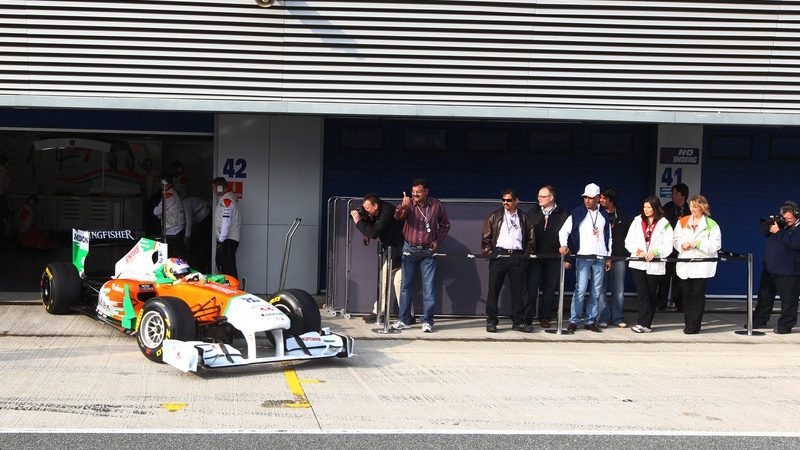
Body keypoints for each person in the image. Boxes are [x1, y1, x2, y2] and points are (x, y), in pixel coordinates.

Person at [392, 178, 450, 333]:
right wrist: (403, 207)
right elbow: (397, 217)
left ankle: (427, 321)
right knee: (405, 286)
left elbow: (445, 224)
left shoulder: (436, 205)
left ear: (426, 191)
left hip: (428, 252)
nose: (415, 194)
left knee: (429, 288)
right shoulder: (408, 203)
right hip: (409, 249)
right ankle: (404, 320)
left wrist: (437, 241)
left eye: (418, 192)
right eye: (413, 192)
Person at [558, 183, 612, 332]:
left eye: (590, 197)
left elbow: (609, 237)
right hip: (583, 256)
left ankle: (590, 321)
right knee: (580, 289)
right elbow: (564, 231)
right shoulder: (578, 212)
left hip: (600, 257)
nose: (587, 200)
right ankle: (574, 320)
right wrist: (563, 245)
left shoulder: (604, 215)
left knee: (596, 291)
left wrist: (608, 256)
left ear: (597, 198)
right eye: (585, 197)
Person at [481, 189, 536, 333]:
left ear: (516, 200)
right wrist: (491, 253)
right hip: (499, 255)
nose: (506, 202)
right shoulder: (495, 216)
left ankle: (518, 322)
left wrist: (526, 255)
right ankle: (491, 321)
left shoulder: (524, 217)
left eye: (509, 200)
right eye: (503, 200)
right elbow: (486, 238)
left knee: (518, 291)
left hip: (517, 256)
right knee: (493, 289)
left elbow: (531, 238)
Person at [351, 193, 404, 324]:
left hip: (399, 250)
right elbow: (370, 225)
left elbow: (374, 233)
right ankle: (407, 314)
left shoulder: (387, 212)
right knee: (398, 282)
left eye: (368, 208)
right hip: (394, 250)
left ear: (375, 205)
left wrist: (358, 221)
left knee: (387, 279)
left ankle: (379, 311)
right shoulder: (377, 211)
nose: (366, 211)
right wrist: (365, 229)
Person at [624, 196, 673, 333]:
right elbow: (628, 241)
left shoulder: (664, 223)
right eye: (644, 207)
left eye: (649, 207)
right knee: (642, 293)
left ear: (656, 208)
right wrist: (637, 251)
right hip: (638, 262)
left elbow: (668, 245)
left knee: (651, 293)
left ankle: (646, 323)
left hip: (654, 263)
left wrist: (656, 252)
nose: (646, 210)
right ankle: (642, 323)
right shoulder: (637, 220)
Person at [674, 195, 721, 334]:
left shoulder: (712, 224)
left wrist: (698, 244)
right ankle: (688, 323)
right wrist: (682, 245)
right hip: (686, 263)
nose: (692, 209)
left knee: (698, 295)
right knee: (686, 295)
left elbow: (716, 245)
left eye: (695, 207)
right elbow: (675, 239)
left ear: (702, 207)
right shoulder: (682, 221)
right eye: (691, 206)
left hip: (702, 265)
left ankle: (695, 325)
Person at [525, 184, 568, 328]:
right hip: (535, 257)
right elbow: (526, 234)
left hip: (554, 257)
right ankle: (528, 317)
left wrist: (566, 258)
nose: (539, 199)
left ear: (551, 198)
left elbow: (568, 235)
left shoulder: (562, 213)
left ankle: (545, 317)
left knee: (550, 289)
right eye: (538, 196)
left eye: (542, 196)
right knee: (531, 287)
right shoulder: (533, 212)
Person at [755, 201, 800, 334]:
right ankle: (759, 321)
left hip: (789, 271)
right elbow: (765, 232)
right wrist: (769, 223)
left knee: (788, 300)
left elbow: (795, 244)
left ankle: (785, 326)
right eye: (784, 218)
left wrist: (778, 232)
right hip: (770, 269)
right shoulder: (782, 225)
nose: (787, 220)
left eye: (789, 218)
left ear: (796, 214)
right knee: (764, 297)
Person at [597, 188, 632, 328]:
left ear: (611, 200)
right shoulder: (597, 214)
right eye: (600, 197)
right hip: (601, 257)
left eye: (604, 198)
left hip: (618, 257)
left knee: (619, 290)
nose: (601, 200)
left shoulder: (622, 214)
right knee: (600, 289)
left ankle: (618, 318)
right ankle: (603, 317)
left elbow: (629, 236)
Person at [659, 183, 690, 311]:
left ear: (683, 195)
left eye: (675, 193)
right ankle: (661, 303)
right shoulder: (667, 207)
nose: (673, 196)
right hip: (668, 246)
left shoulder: (689, 209)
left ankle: (679, 304)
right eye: (672, 193)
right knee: (664, 275)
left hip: (683, 248)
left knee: (680, 276)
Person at [212, 176, 241, 280]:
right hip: (227, 239)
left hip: (227, 239)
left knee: (228, 267)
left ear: (220, 188)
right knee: (224, 265)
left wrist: (221, 239)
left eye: (215, 188)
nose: (214, 191)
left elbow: (226, 222)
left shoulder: (227, 200)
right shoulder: (227, 199)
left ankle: (234, 290)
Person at [152, 176, 186, 258]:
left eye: (161, 184)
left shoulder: (169, 195)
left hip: (174, 230)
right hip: (174, 229)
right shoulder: (172, 193)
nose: (160, 186)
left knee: (175, 256)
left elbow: (156, 211)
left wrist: (160, 215)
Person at [183, 196, 212, 273]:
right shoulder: (186, 203)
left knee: (202, 244)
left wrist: (186, 237)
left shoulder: (185, 205)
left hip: (206, 218)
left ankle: (202, 267)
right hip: (201, 220)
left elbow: (188, 221)